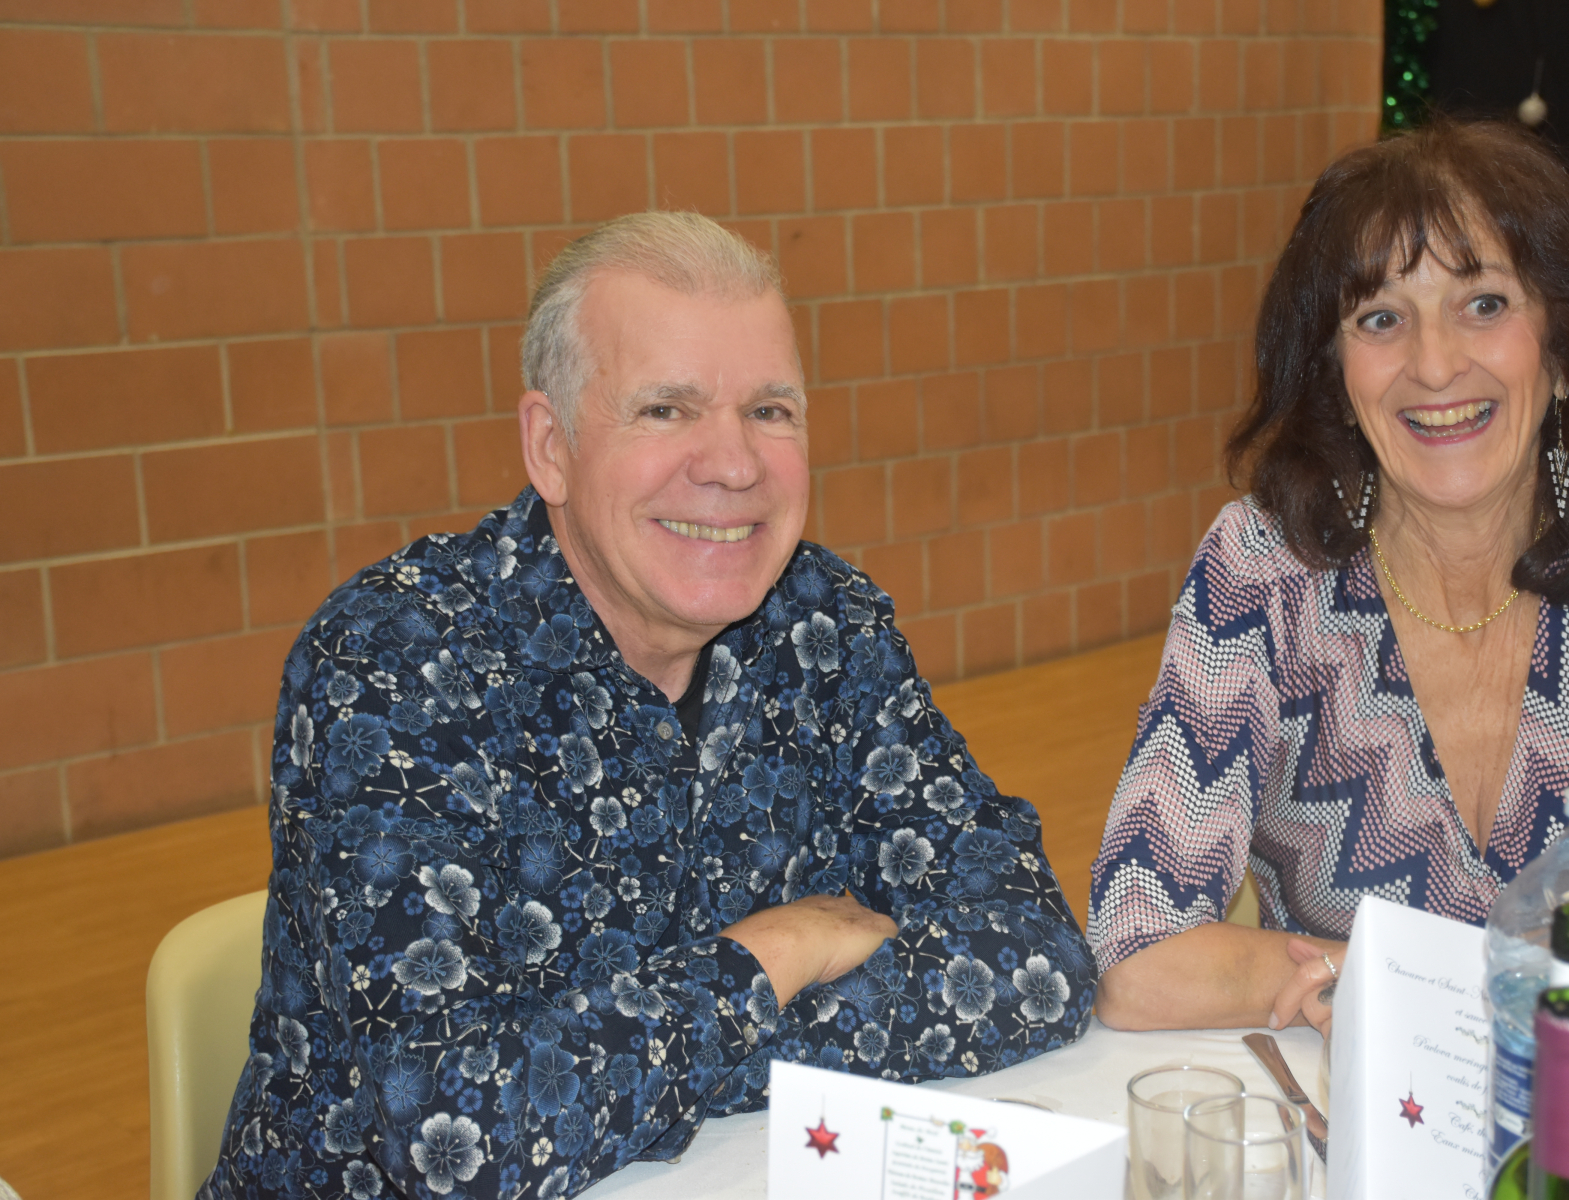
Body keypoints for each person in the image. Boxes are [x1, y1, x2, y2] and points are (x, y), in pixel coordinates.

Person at [204, 212, 1095, 1200]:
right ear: (550, 446)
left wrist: (627, 1069)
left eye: (770, 410)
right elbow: (458, 1139)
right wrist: (775, 954)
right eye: (667, 410)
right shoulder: (396, 664)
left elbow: (1038, 958)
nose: (733, 464)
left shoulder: (827, 626)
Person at [1087, 119, 1569, 1041]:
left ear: (1561, 346)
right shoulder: (1264, 568)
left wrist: (1417, 981)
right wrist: (1400, 977)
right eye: (1381, 319)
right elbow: (1136, 956)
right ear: (1337, 373)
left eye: (1484, 304)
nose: (1433, 365)